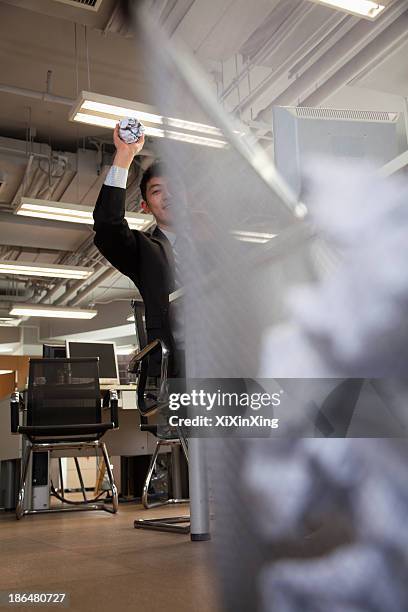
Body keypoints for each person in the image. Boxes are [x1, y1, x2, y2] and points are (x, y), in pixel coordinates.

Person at [93, 125, 183, 376]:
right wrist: (125, 155)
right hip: (182, 369)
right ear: (145, 206)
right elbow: (108, 226)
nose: (169, 196)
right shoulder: (146, 252)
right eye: (157, 191)